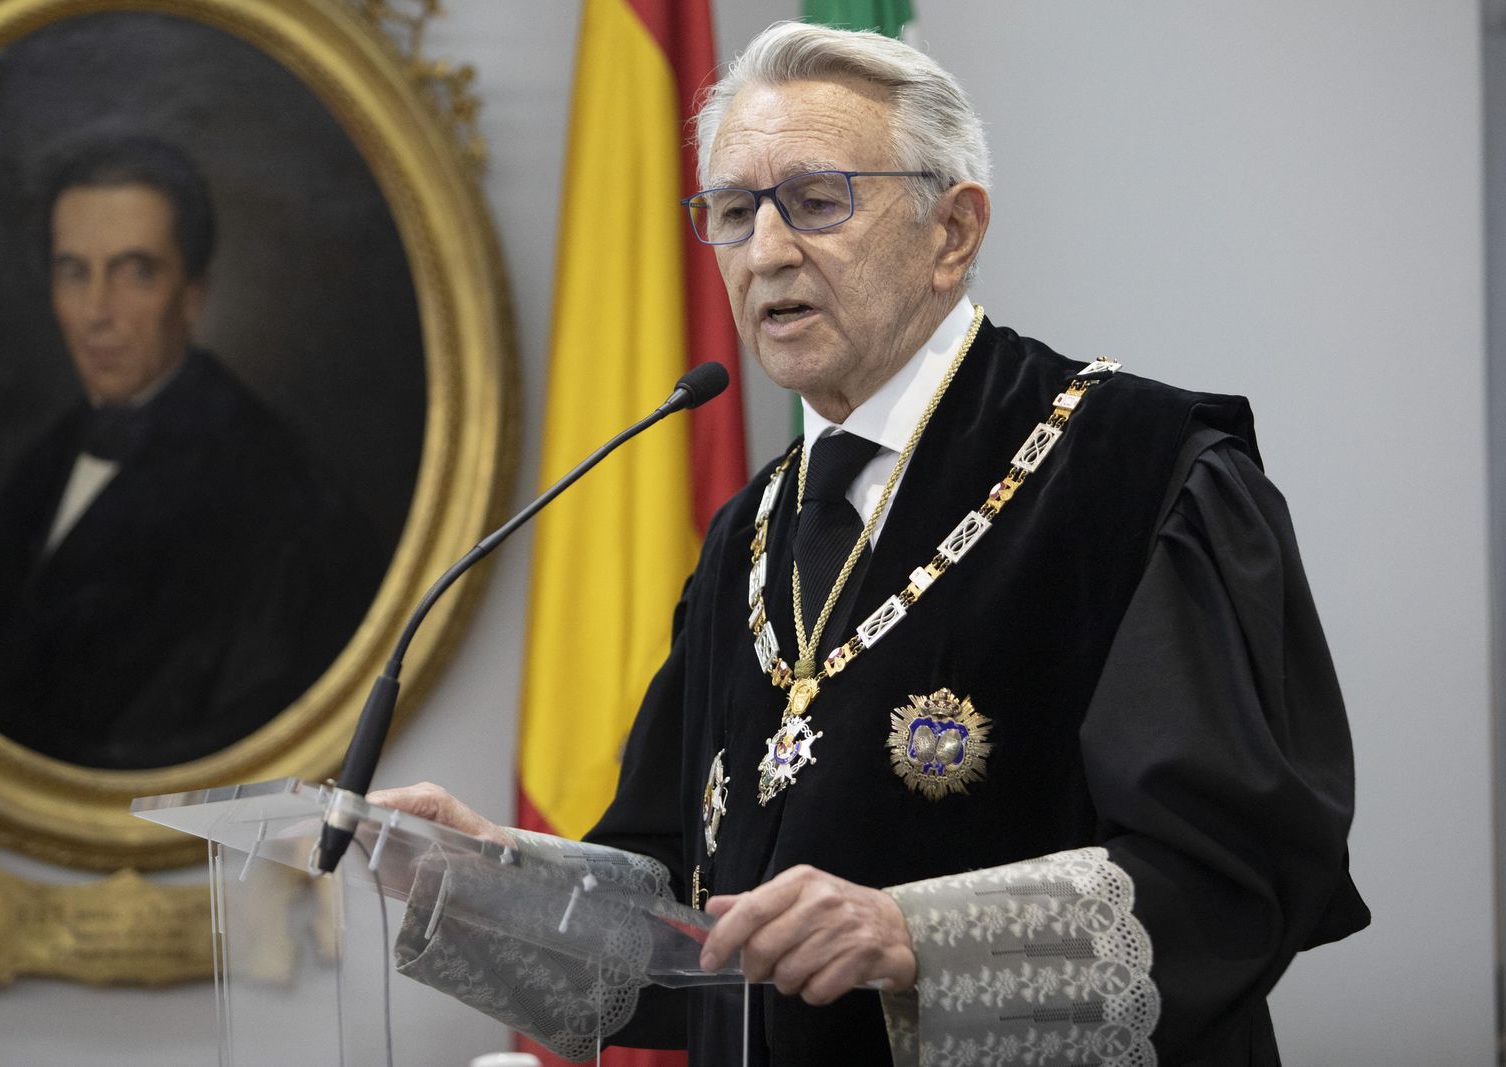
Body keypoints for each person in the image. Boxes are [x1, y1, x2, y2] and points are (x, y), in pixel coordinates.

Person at [377, 22, 1368, 1066]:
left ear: (953, 230)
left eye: (815, 202)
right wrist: (491, 882)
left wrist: (916, 939)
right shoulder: (744, 534)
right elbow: (674, 916)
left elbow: (1233, 874)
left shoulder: (1142, 471)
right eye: (731, 211)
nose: (764, 253)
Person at [0, 134, 383, 769]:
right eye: (74, 272)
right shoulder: (48, 453)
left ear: (192, 296)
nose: (96, 313)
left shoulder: (280, 501)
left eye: (135, 272)